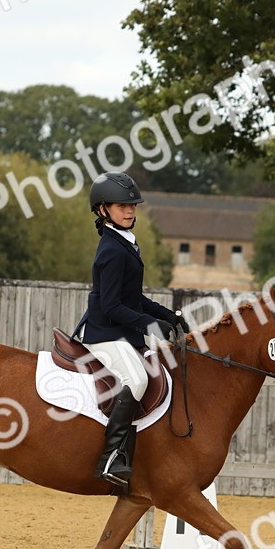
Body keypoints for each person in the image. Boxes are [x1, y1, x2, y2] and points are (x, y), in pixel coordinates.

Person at [77, 172, 189, 492]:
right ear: (103, 210)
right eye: (121, 206)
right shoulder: (111, 250)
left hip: (121, 333)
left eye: (132, 205)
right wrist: (152, 327)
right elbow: (112, 307)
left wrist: (169, 316)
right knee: (137, 379)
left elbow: (134, 299)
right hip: (104, 335)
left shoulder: (125, 243)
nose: (129, 211)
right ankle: (110, 456)